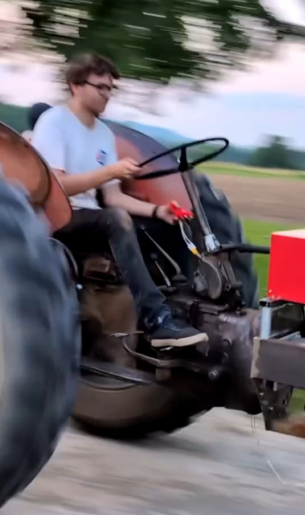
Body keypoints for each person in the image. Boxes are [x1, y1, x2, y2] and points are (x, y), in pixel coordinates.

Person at [30, 52, 209, 351]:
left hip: (92, 216)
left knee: (164, 226)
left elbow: (113, 197)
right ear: (76, 85)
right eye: (100, 87)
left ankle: (188, 306)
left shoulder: (103, 134)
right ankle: (156, 319)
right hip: (58, 218)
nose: (107, 95)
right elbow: (57, 186)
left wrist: (158, 210)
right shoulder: (54, 122)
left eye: (111, 88)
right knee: (115, 221)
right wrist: (110, 170)